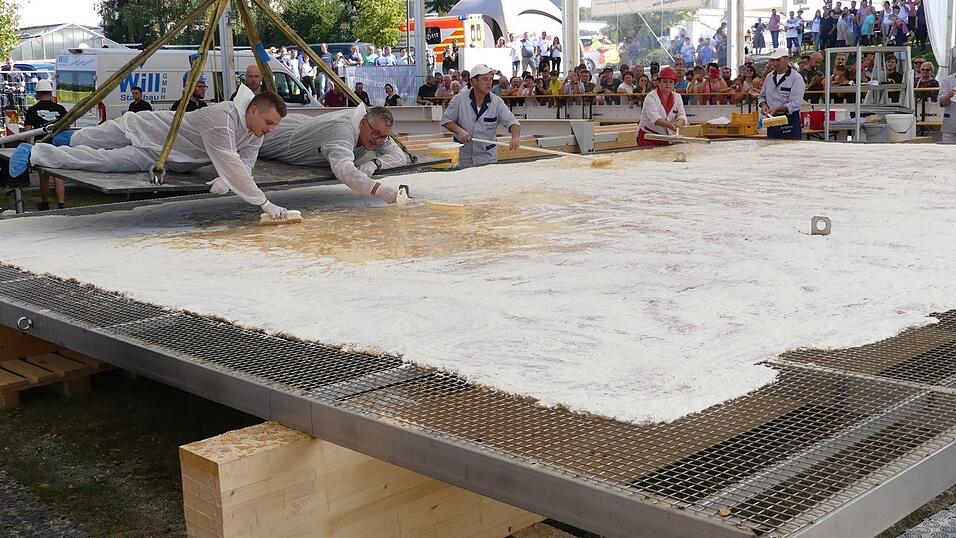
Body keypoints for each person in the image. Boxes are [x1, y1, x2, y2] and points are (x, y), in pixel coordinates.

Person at [11, 88, 290, 219]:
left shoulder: (255, 132)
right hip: (147, 127)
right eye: (269, 123)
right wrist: (264, 204)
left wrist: (230, 180)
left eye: (274, 126)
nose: (270, 130)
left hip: (161, 157)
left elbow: (245, 163)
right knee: (91, 137)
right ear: (253, 110)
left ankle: (35, 152)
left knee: (103, 162)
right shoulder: (222, 117)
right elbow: (229, 160)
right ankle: (66, 137)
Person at [258, 106, 405, 202]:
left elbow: (399, 156)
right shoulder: (342, 130)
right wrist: (379, 190)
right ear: (363, 122)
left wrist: (375, 163)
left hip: (302, 124)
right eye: (376, 134)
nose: (378, 140)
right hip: (276, 136)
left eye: (383, 137)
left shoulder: (374, 130)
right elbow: (343, 170)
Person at [440, 64, 521, 168]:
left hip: (487, 158)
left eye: (491, 79)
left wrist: (515, 136)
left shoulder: (496, 102)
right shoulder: (459, 99)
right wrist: (459, 131)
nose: (489, 83)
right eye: (485, 79)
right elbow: (446, 120)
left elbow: (513, 122)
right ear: (474, 81)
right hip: (464, 157)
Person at [23, 79, 68, 210]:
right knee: (59, 176)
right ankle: (61, 204)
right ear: (50, 93)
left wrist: (29, 147)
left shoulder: (33, 110)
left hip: (41, 145)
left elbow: (27, 131)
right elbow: (66, 128)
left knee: (44, 176)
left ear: (37, 94)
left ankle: (45, 204)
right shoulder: (60, 109)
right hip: (57, 145)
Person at [758, 47, 806, 140]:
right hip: (772, 121)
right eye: (773, 60)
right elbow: (762, 96)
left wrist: (778, 108)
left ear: (786, 59)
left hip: (789, 122)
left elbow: (795, 103)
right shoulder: (769, 77)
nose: (775, 63)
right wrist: (763, 105)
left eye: (778, 60)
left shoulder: (796, 78)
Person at [637, 67, 687, 147]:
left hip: (664, 138)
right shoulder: (651, 97)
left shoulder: (677, 97)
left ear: (674, 84)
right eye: (664, 81)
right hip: (647, 137)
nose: (668, 84)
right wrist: (671, 125)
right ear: (659, 83)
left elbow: (682, 115)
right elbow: (655, 119)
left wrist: (679, 123)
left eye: (671, 82)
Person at [938, 73, 956, 144]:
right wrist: (948, 96)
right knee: (948, 152)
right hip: (950, 126)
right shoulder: (947, 80)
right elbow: (942, 103)